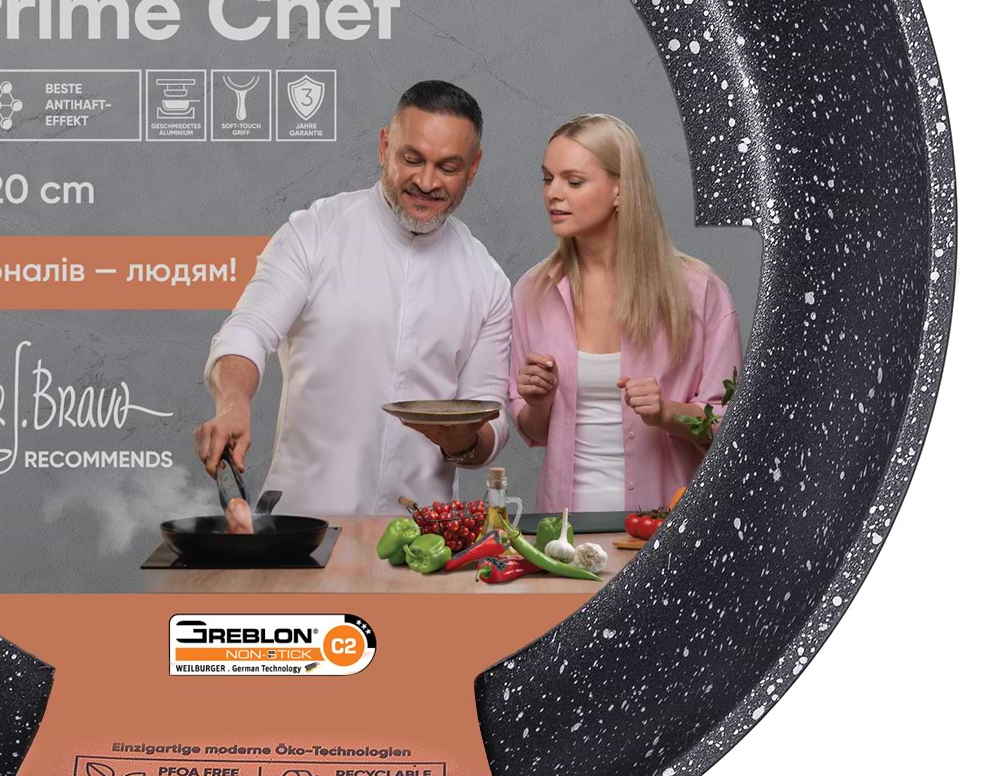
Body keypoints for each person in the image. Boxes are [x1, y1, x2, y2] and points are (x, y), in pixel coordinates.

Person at [195, 81, 512, 518]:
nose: (426, 181)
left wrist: (464, 441)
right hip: (303, 527)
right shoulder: (313, 233)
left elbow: (491, 417)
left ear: (473, 168)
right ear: (385, 146)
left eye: (448, 167)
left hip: (424, 535)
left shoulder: (487, 280)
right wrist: (233, 404)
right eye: (412, 159)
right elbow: (248, 330)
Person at [509, 114, 741, 514]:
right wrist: (540, 401)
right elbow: (534, 431)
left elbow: (730, 426)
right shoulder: (533, 291)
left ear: (620, 189)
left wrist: (666, 413)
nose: (553, 194)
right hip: (563, 532)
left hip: (664, 528)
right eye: (548, 179)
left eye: (574, 182)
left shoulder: (700, 291)